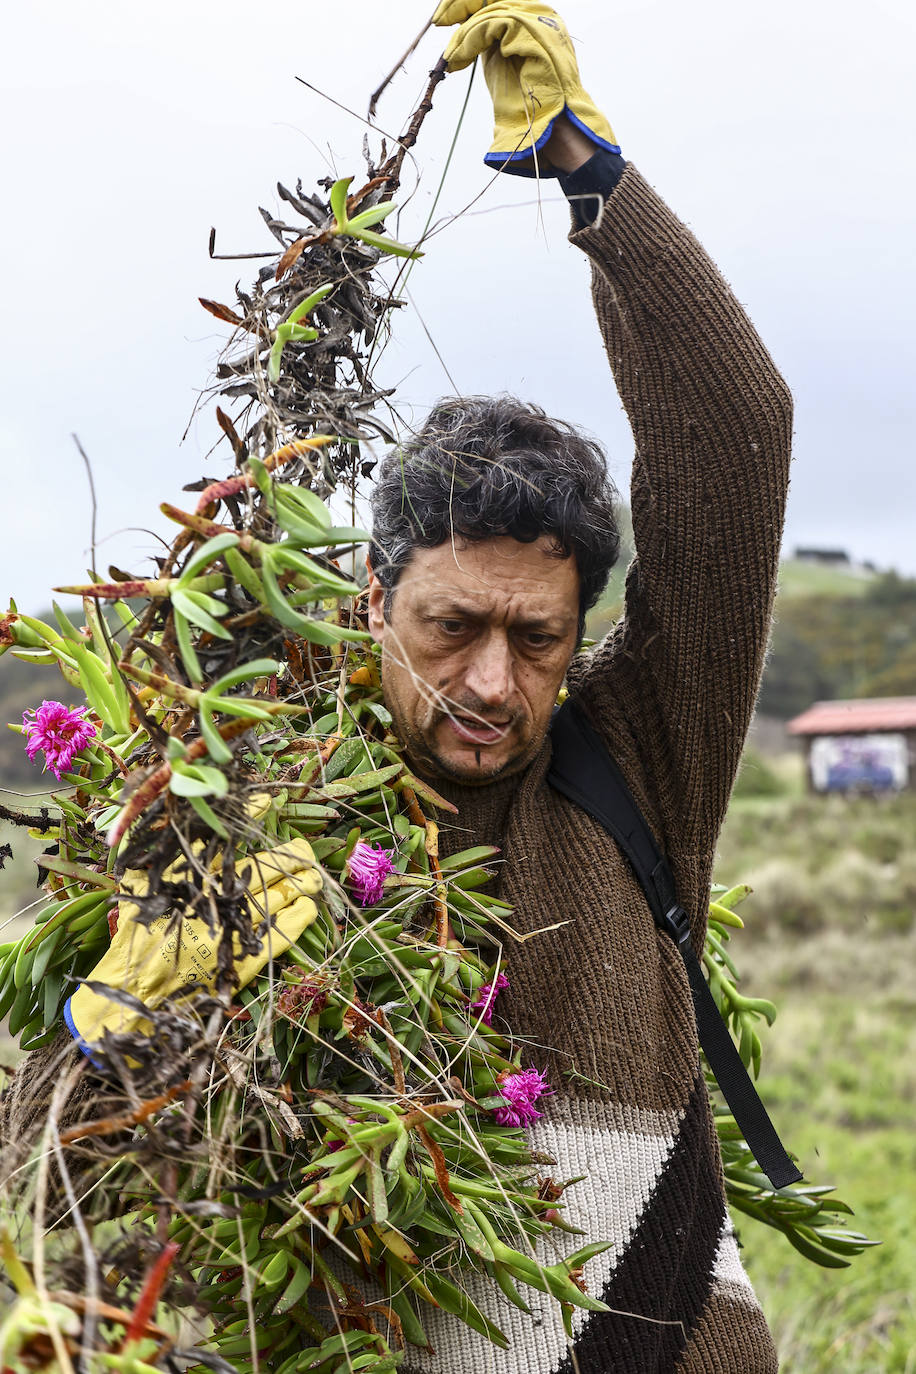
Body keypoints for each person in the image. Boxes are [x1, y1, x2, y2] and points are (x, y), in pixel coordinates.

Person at [362, 2, 793, 1371]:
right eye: (452, 625)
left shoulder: (636, 754)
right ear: (375, 599)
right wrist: (110, 1036)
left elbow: (736, 437)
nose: (493, 681)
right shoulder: (263, 814)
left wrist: (589, 173)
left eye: (539, 637)